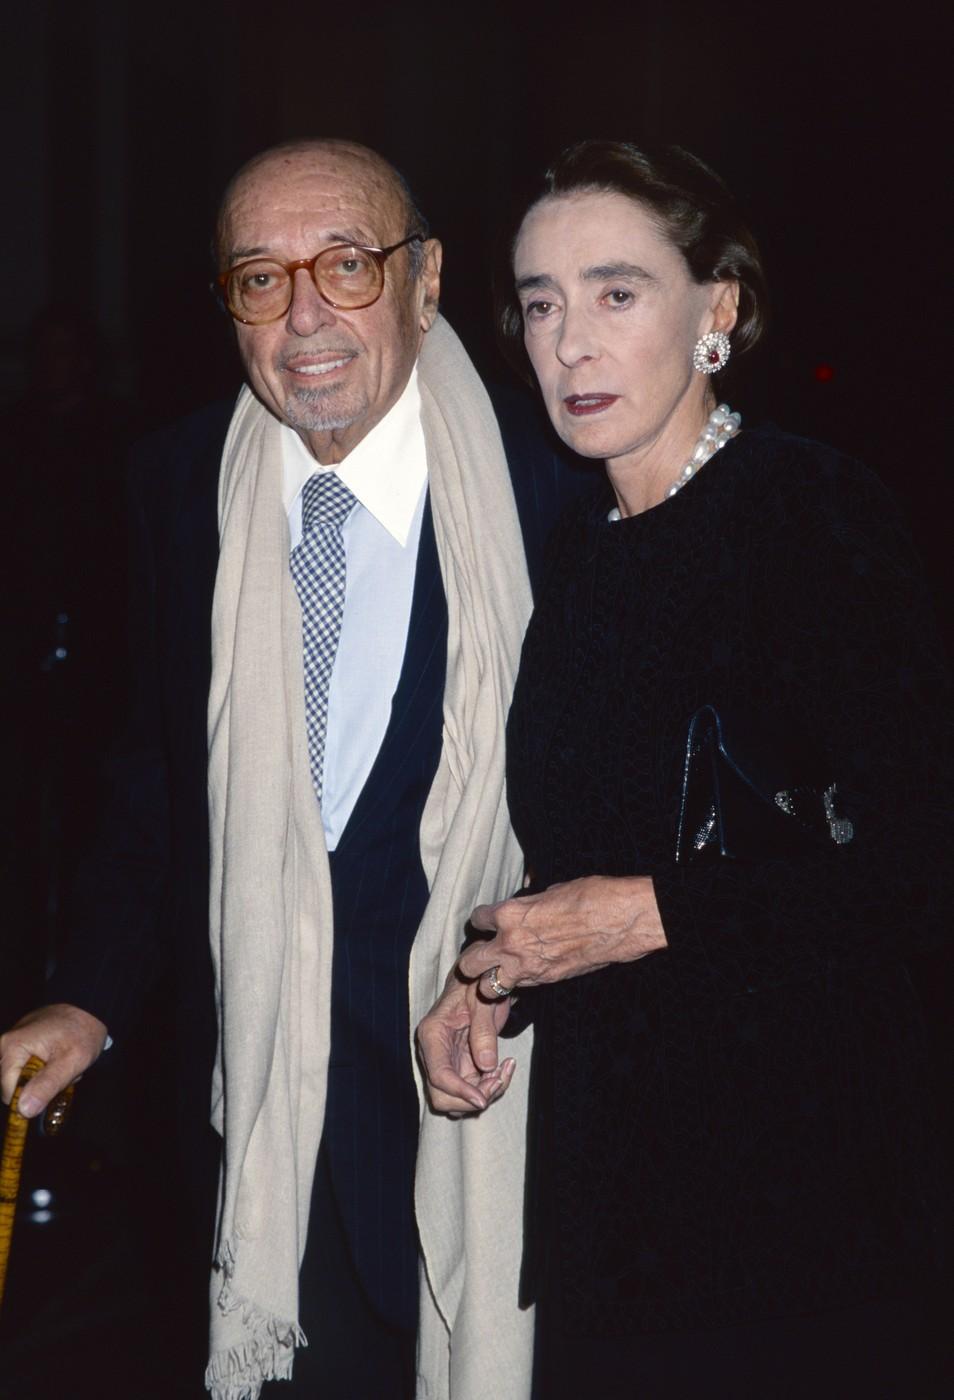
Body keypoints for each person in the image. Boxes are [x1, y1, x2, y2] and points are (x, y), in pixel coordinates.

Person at [0, 139, 587, 1400]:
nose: (305, 315)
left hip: (504, 1124)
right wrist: (88, 995)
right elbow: (159, 781)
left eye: (348, 264)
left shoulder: (558, 483)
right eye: (261, 278)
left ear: (427, 281)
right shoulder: (175, 485)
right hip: (265, 1136)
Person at [417, 140, 953, 1398]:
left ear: (719, 308)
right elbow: (597, 853)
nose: (569, 343)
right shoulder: (579, 557)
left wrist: (647, 915)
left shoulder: (812, 510)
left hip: (807, 1215)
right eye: (540, 303)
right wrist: (495, 974)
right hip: (617, 1216)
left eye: (617, 292)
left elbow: (920, 863)